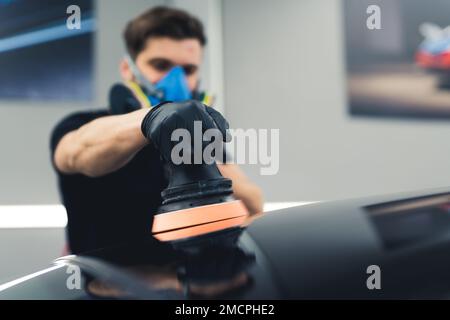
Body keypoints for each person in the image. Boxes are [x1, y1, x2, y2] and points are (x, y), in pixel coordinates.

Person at [51, 6, 263, 254]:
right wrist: (152, 118)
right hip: (105, 288)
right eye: (161, 65)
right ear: (128, 70)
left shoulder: (197, 139)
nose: (176, 79)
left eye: (188, 70)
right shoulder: (82, 125)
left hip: (189, 285)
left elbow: (254, 205)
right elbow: (76, 151)